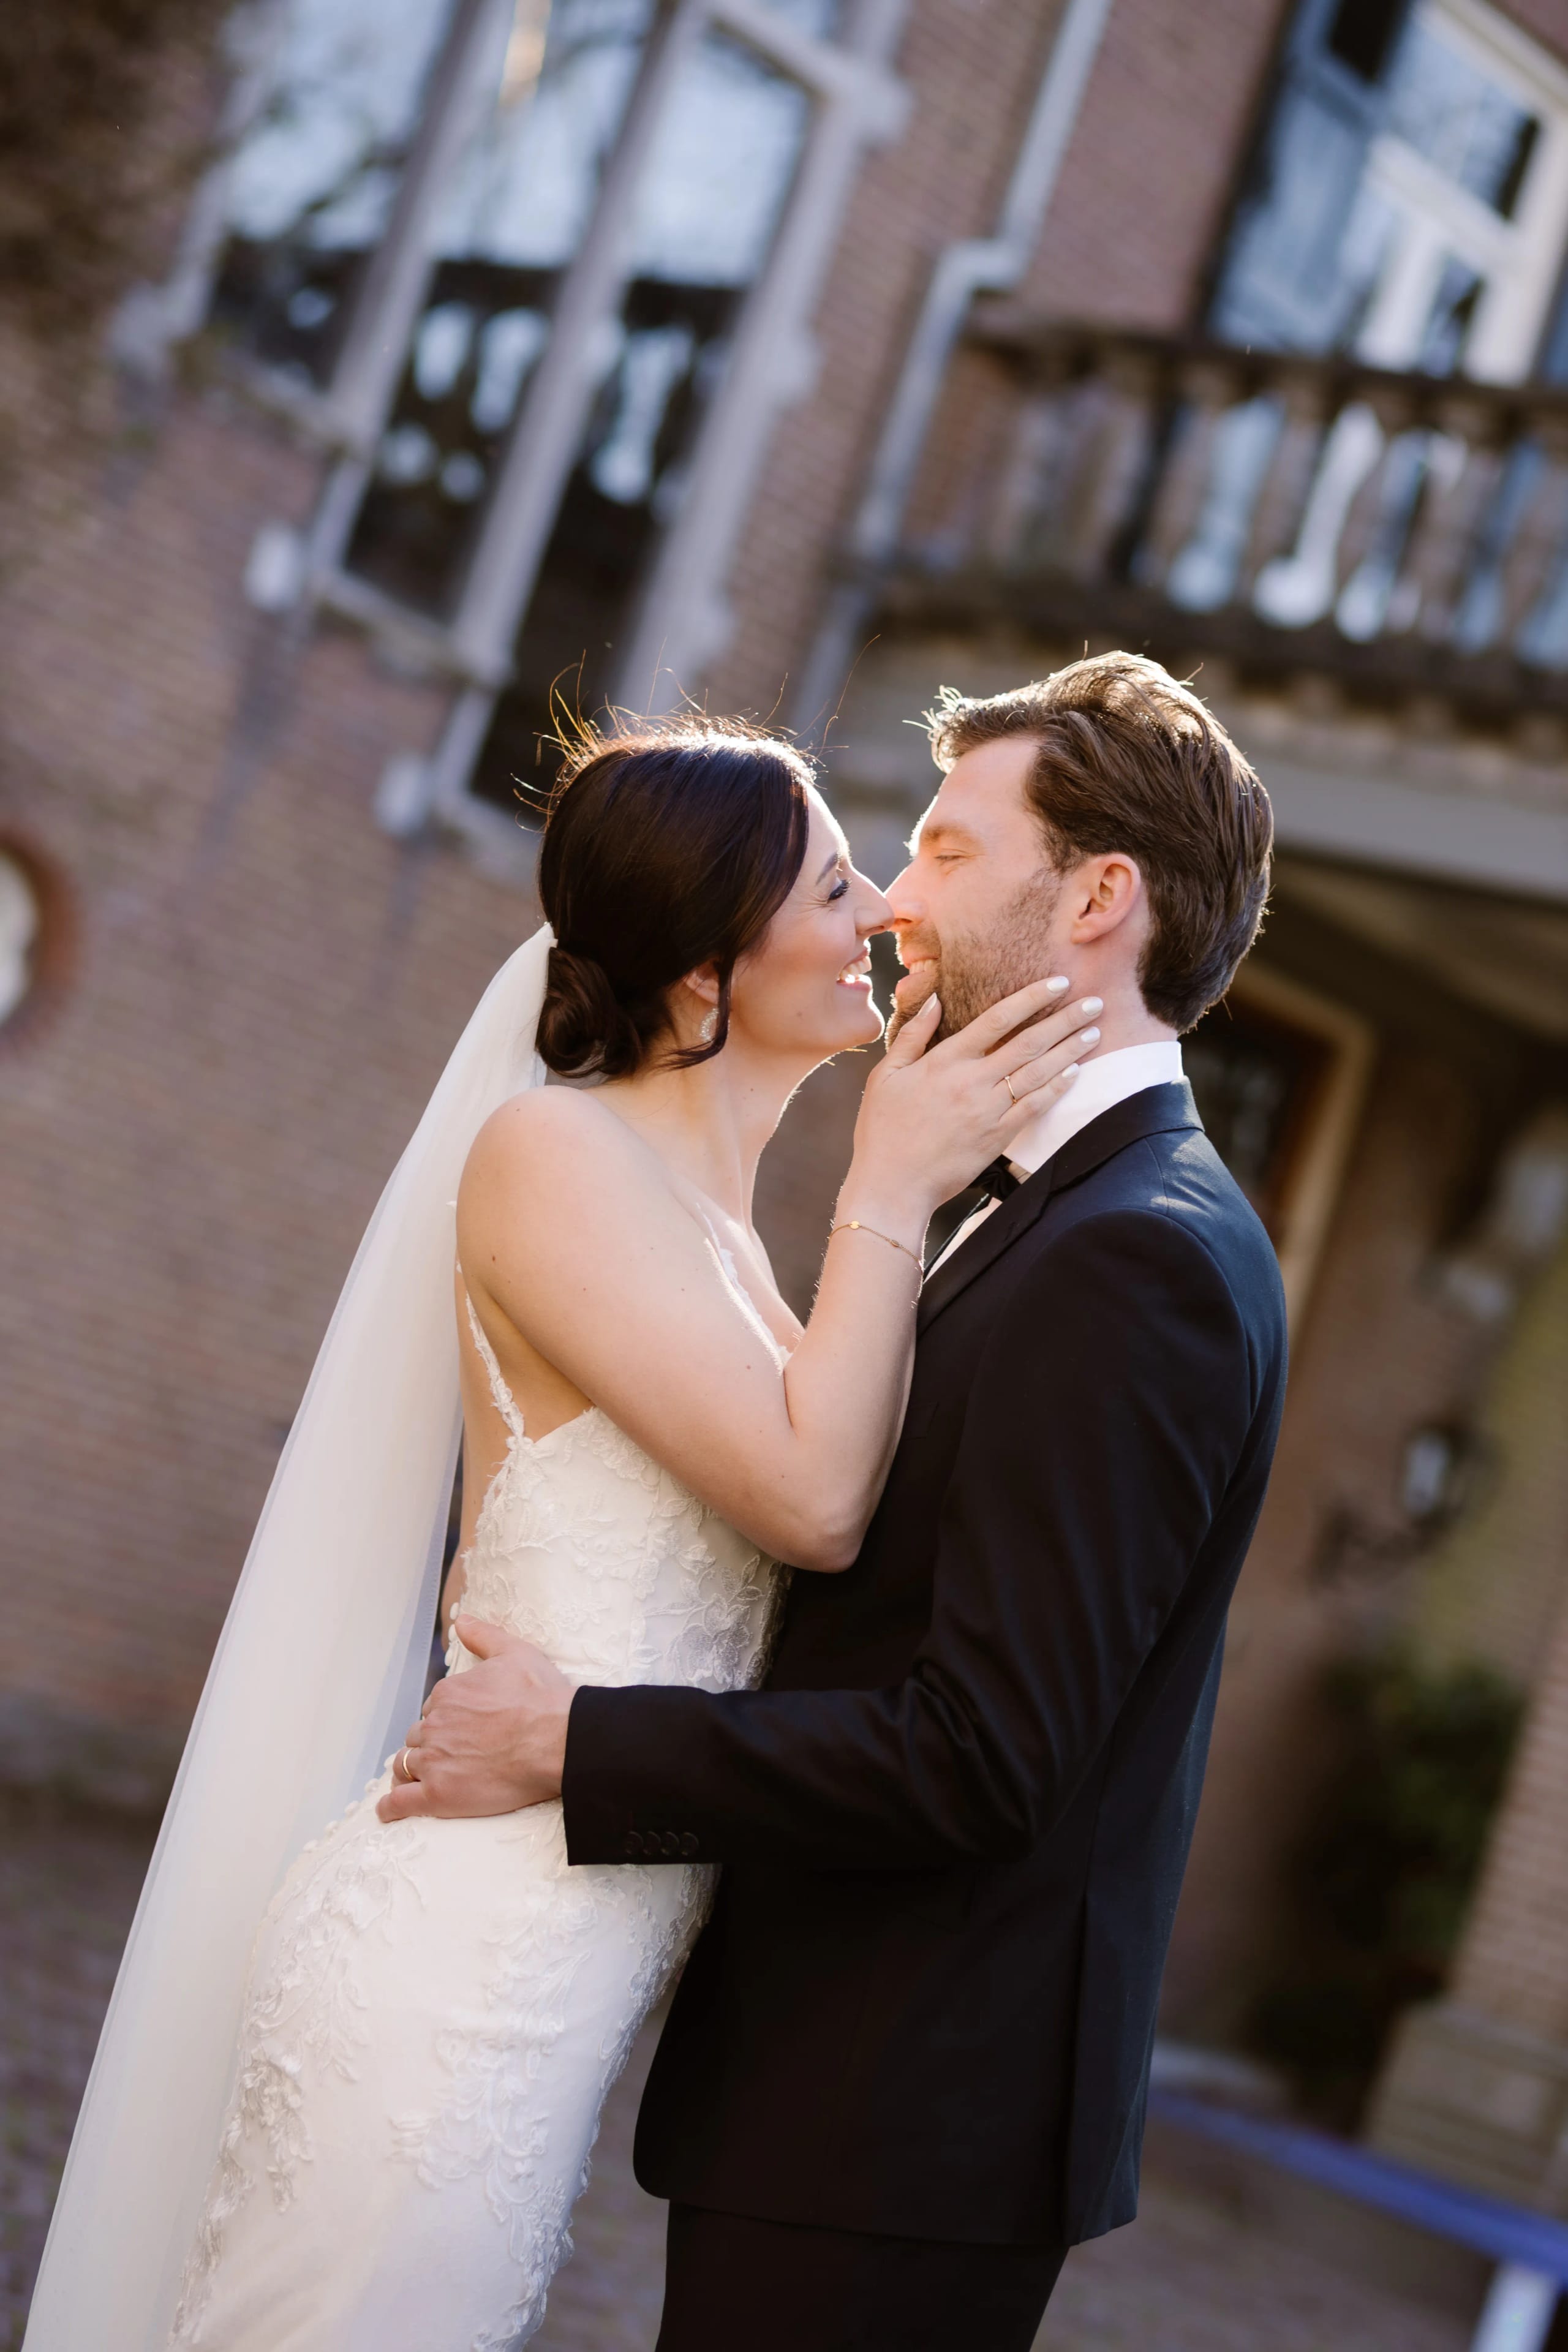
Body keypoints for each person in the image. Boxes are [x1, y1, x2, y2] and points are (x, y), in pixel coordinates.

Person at [55, 718, 1089, 2352]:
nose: (885, 908)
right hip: (447, 1982)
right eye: (836, 884)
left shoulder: (731, 1252)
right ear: (703, 976)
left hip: (550, 2010)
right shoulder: (553, 1155)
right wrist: (893, 1174)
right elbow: (819, 1505)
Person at [380, 652, 1288, 2352]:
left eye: (946, 851)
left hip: (906, 2119)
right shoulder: (1050, 1208)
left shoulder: (1138, 1258)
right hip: (852, 2105)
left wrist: (577, 1741)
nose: (896, 902)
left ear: (1098, 896)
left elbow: (982, 1750)